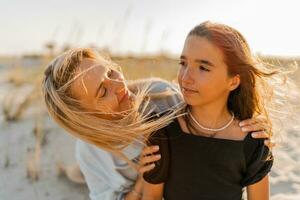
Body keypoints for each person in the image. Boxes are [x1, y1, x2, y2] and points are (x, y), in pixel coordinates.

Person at [42, 47, 273, 200]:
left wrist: (250, 121)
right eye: (103, 91)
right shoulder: (91, 151)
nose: (119, 86)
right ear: (86, 117)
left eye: (111, 73)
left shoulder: (161, 95)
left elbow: (212, 117)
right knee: (79, 177)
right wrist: (144, 179)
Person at [141, 21, 289, 200]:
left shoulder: (253, 140)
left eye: (203, 67)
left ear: (233, 81)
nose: (185, 77)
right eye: (183, 63)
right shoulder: (162, 132)